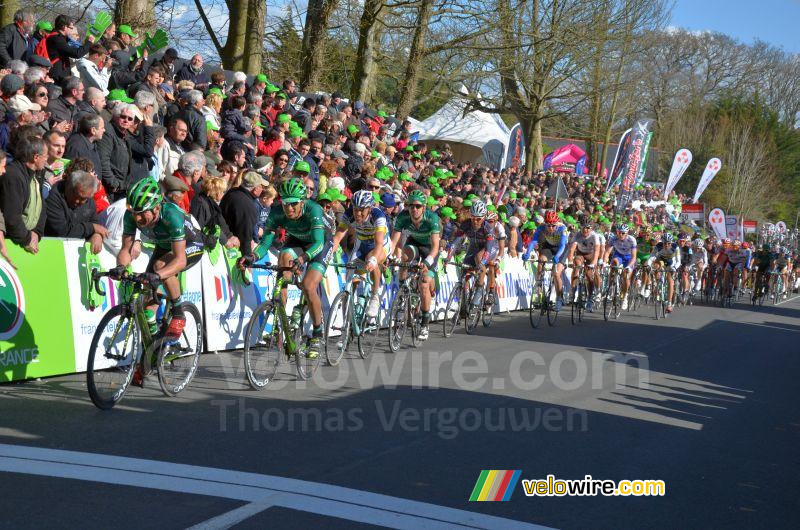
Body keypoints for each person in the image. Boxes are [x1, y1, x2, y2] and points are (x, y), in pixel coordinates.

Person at [112, 177, 205, 358]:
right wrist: (120, 267)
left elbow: (179, 260)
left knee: (160, 267)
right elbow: (125, 249)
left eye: (142, 213)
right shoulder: (132, 216)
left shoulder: (171, 214)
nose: (137, 218)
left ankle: (178, 312)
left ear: (156, 208)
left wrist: (158, 274)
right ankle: (155, 349)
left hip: (191, 246)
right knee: (147, 305)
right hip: (164, 245)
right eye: (134, 212)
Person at [390, 189, 442, 341]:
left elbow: (435, 248)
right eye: (411, 205)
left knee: (424, 282)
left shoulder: (431, 218)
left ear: (424, 207)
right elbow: (394, 243)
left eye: (418, 206)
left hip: (430, 249)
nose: (414, 209)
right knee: (404, 257)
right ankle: (402, 293)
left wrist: (427, 262)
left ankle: (425, 324)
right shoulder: (403, 217)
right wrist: (390, 257)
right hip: (414, 244)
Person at [331, 189, 390, 318]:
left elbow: (379, 243)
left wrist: (374, 260)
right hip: (361, 244)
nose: (357, 213)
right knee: (350, 273)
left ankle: (375, 296)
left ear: (369, 208)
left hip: (380, 245)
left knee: (371, 259)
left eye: (361, 210)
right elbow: (337, 237)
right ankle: (348, 318)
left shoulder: (378, 215)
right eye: (355, 209)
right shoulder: (348, 214)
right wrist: (328, 254)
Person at [0, 137, 48, 253]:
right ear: (36, 157)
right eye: (45, 156)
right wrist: (27, 239)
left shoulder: (37, 175)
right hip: (12, 243)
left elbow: (42, 207)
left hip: (28, 240)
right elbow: (12, 216)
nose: (47, 160)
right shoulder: (13, 176)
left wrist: (37, 232)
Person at [44, 168, 106, 252]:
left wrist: (97, 235)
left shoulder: (89, 201)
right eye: (76, 195)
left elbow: (94, 222)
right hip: (51, 249)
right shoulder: (53, 197)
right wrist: (92, 228)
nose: (77, 201)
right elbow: (62, 232)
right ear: (69, 186)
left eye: (82, 199)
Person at [523, 210, 568, 311]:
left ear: (557, 224)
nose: (550, 228)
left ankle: (559, 298)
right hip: (549, 246)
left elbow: (562, 245)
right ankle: (539, 284)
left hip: (561, 249)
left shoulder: (562, 228)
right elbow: (533, 241)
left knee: (556, 274)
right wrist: (527, 253)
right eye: (548, 225)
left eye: (553, 226)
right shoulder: (541, 227)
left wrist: (557, 257)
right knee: (541, 261)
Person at [45, 15, 96, 83]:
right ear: (64, 27)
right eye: (71, 28)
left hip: (60, 74)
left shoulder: (60, 38)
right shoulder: (56, 39)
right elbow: (77, 53)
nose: (72, 30)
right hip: (57, 76)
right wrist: (89, 42)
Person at [566, 219, 601, 311]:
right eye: (583, 228)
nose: (585, 230)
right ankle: (572, 291)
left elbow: (597, 250)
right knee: (576, 264)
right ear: (580, 228)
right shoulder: (577, 235)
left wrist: (593, 263)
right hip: (580, 254)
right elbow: (572, 249)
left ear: (591, 228)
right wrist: (570, 261)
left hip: (591, 255)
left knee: (589, 276)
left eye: (588, 228)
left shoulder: (594, 235)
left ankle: (590, 298)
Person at [64, 114, 104, 181]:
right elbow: (70, 173)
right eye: (102, 128)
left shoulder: (92, 143)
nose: (104, 130)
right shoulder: (75, 145)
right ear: (93, 130)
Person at [650, 231, 678, 313]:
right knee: (656, 265)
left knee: (670, 281)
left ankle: (669, 303)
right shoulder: (658, 246)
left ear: (671, 243)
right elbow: (652, 256)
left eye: (669, 243)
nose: (666, 245)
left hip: (671, 263)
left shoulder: (675, 247)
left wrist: (674, 268)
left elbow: (678, 260)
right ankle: (657, 284)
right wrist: (649, 264)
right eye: (665, 243)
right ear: (662, 242)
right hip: (661, 261)